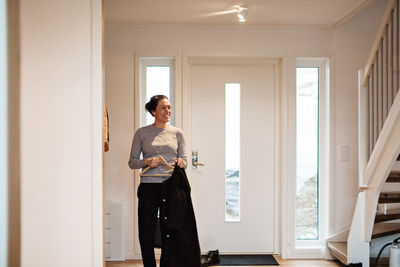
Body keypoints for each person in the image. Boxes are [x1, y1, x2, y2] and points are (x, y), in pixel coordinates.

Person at [128, 95, 187, 267]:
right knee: (146, 230)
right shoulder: (142, 133)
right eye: (163, 107)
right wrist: (146, 162)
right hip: (148, 187)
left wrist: (181, 162)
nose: (167, 111)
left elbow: (184, 160)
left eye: (169, 107)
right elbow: (132, 162)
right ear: (153, 111)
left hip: (171, 187)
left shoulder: (177, 133)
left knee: (169, 230)